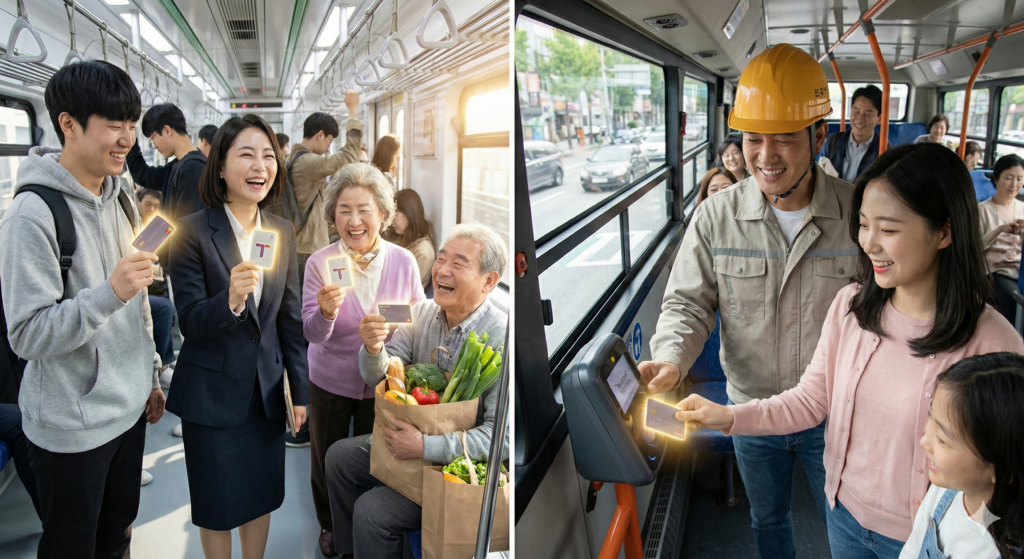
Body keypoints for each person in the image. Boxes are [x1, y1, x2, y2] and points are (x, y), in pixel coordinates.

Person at [672, 143, 1024, 559]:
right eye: (862, 225)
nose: (869, 244)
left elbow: (1006, 465)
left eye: (889, 230)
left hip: (928, 535)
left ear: (944, 231)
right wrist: (729, 417)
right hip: (845, 515)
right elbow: (810, 400)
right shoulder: (851, 307)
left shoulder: (993, 343)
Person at [641, 43, 857, 559]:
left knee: (848, 527)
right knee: (768, 522)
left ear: (819, 135)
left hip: (835, 411)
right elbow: (687, 305)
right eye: (753, 139)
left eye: (784, 139)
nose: (765, 156)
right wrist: (671, 358)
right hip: (749, 408)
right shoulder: (715, 217)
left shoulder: (858, 212)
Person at [0, 59, 165, 558]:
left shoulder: (119, 198)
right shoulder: (32, 215)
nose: (127, 139)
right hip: (72, 426)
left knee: (117, 536)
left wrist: (151, 374)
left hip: (128, 410)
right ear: (68, 124)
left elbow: (137, 302)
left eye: (132, 125)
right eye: (113, 125)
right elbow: (26, 334)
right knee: (72, 546)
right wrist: (107, 293)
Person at [167, 114, 309, 559]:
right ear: (221, 167)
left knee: (260, 495)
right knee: (216, 503)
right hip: (211, 397)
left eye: (268, 155)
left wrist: (300, 393)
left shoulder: (280, 231)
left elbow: (289, 320)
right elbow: (189, 321)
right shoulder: (191, 230)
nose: (260, 165)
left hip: (264, 394)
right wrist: (228, 299)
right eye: (246, 154)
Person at [323, 223, 509, 559]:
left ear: (489, 281)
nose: (442, 270)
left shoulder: (501, 339)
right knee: (339, 456)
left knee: (371, 510)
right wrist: (374, 348)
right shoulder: (422, 313)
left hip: (453, 467)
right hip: (410, 446)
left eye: (460, 263)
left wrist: (426, 445)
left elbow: (500, 437)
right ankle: (351, 552)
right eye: (441, 259)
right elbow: (376, 378)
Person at [301, 163, 425, 556]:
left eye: (364, 210)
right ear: (332, 216)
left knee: (378, 460)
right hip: (331, 379)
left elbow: (417, 319)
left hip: (383, 380)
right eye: (344, 210)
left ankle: (369, 526)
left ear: (383, 216)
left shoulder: (404, 261)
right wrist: (324, 313)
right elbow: (311, 333)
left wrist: (390, 335)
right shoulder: (319, 263)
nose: (354, 221)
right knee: (326, 459)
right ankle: (332, 526)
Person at [899, 352, 1024, 559]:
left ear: (1003, 468)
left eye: (942, 440)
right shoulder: (946, 490)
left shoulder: (992, 551)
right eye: (931, 417)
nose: (924, 441)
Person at [288, 92, 363, 289]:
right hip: (307, 248)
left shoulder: (297, 159)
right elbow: (348, 160)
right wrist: (353, 113)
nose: (329, 147)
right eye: (329, 142)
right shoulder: (306, 162)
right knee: (313, 300)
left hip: (304, 244)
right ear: (320, 135)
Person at [126, 103, 208, 223]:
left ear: (167, 130)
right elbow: (143, 175)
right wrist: (129, 136)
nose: (154, 145)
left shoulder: (193, 168)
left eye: (153, 138)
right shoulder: (177, 165)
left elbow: (188, 229)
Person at [977, 154, 1024, 324]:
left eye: (1019, 179)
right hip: (993, 273)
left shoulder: (1022, 209)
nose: (1014, 184)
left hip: (1020, 271)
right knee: (1012, 298)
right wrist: (999, 230)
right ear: (996, 179)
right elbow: (973, 247)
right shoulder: (982, 210)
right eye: (1009, 178)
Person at [820, 85, 883, 183]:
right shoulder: (832, 141)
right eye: (856, 110)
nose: (860, 118)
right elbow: (821, 174)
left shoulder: (884, 151)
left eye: (868, 113)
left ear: (879, 118)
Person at [383, 189, 435, 291]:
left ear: (409, 214)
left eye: (395, 216)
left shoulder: (422, 252)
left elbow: (405, 289)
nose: (391, 221)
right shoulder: (403, 238)